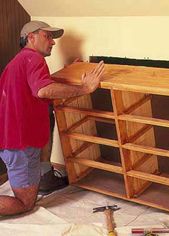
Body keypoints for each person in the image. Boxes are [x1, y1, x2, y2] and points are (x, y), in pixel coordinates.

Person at [0, 20, 104, 216]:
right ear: (31, 38)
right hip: (18, 144)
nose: (53, 42)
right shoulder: (33, 59)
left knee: (30, 190)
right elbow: (42, 89)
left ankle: (45, 180)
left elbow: (38, 84)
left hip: (16, 139)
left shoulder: (22, 60)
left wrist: (68, 72)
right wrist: (85, 88)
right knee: (25, 203)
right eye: (47, 36)